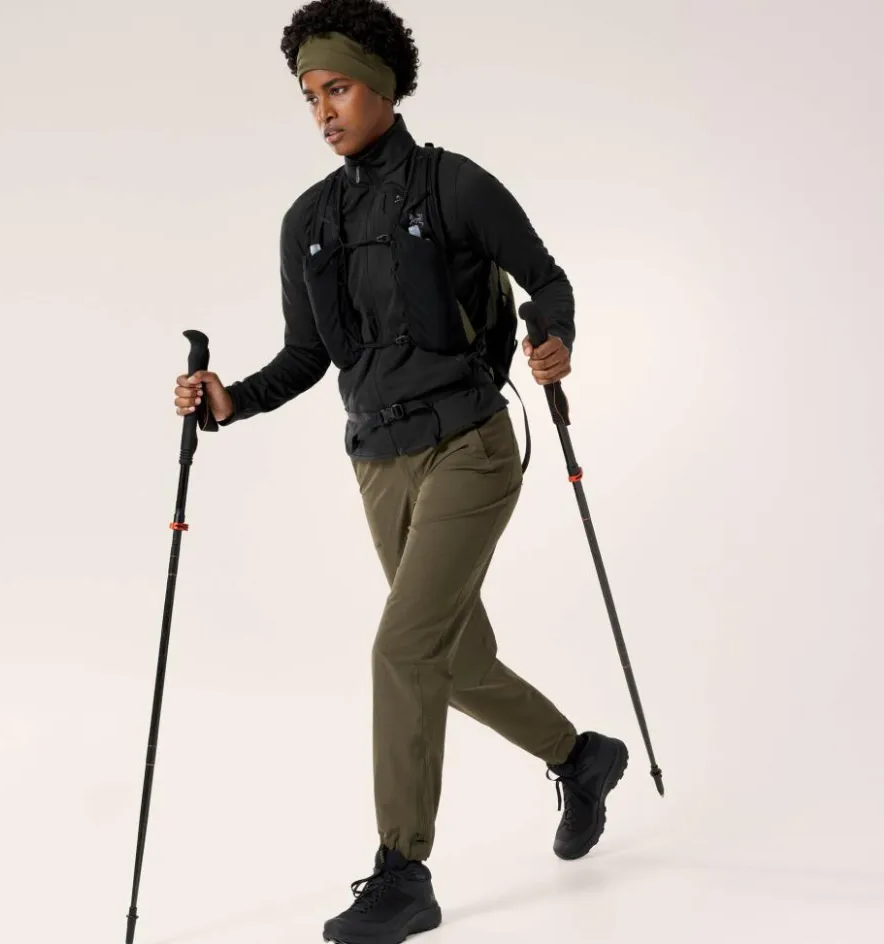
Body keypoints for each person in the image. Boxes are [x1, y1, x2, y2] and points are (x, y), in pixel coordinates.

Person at [174, 2, 628, 941]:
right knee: (454, 660)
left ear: (382, 85)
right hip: (378, 463)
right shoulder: (309, 220)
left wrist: (554, 338)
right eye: (310, 96)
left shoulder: (456, 186)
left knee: (400, 651)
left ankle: (402, 873)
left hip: (470, 448)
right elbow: (308, 357)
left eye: (337, 89)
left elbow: (547, 279)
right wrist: (230, 400)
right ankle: (580, 757)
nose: (323, 112)